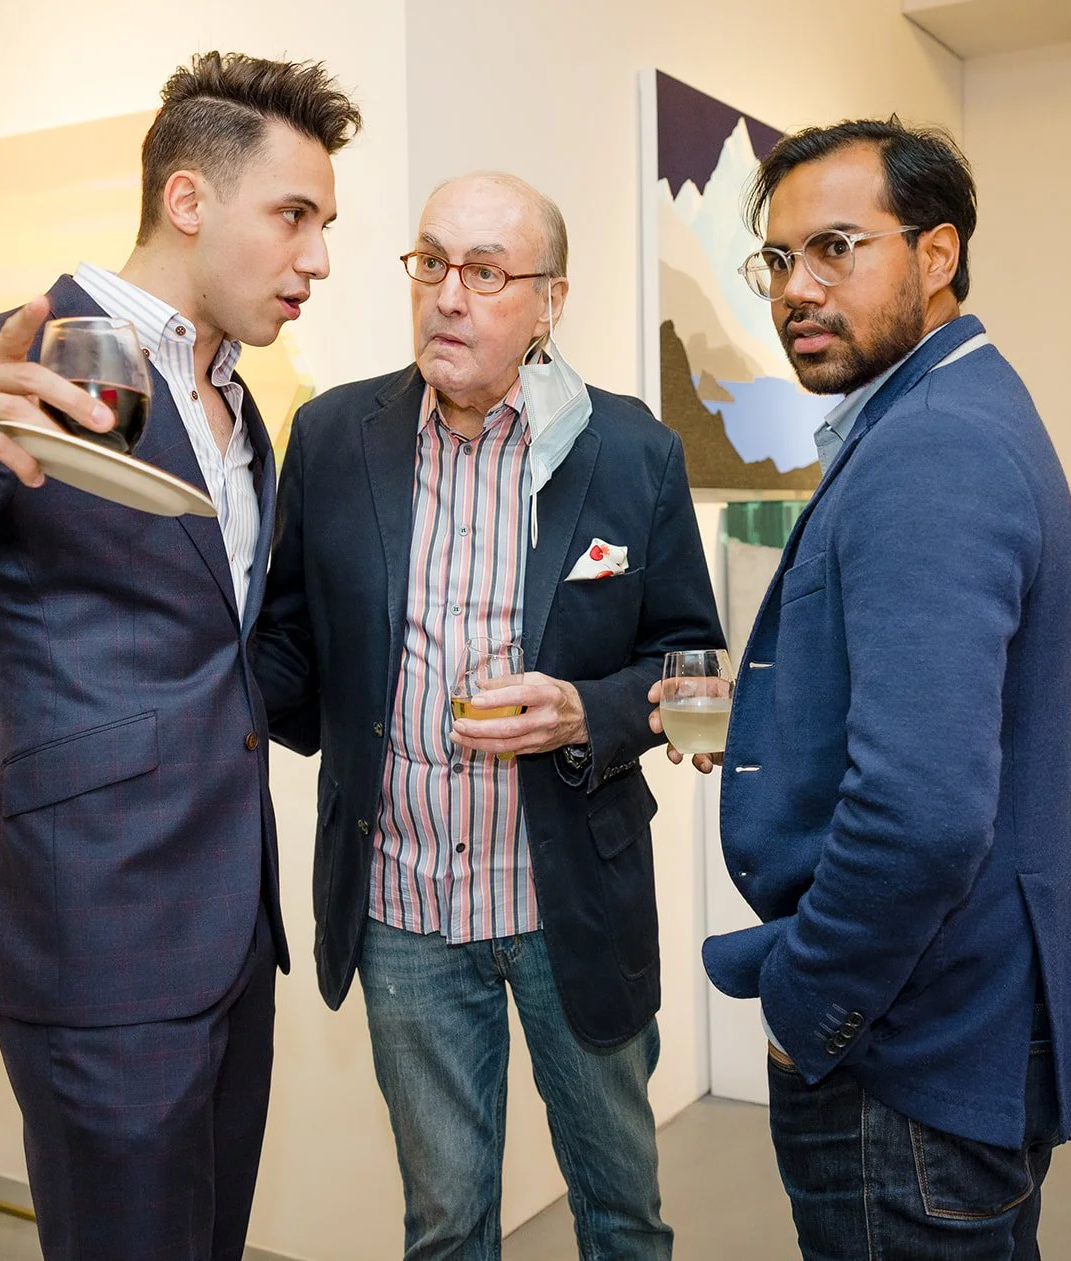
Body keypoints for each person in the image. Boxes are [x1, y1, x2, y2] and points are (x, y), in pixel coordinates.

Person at [0, 52, 360, 1261]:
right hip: (95, 936)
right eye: (293, 217)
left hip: (232, 932)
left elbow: (231, 660)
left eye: (327, 225)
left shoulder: (240, 409)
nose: (317, 259)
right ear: (189, 199)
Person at [655, 119, 1071, 1258]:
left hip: (906, 1051)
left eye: (835, 247)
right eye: (778, 261)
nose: (797, 289)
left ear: (936, 257)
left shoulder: (929, 446)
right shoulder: (961, 408)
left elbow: (923, 814)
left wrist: (806, 1008)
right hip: (961, 1027)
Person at [255, 172, 723, 1260]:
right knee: (445, 1222)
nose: (446, 297)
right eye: (429, 264)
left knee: (620, 1213)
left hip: (569, 900)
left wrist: (585, 711)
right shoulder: (331, 437)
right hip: (403, 907)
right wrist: (179, 669)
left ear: (549, 302)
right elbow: (285, 646)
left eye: (484, 273)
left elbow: (685, 659)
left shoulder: (629, 451)